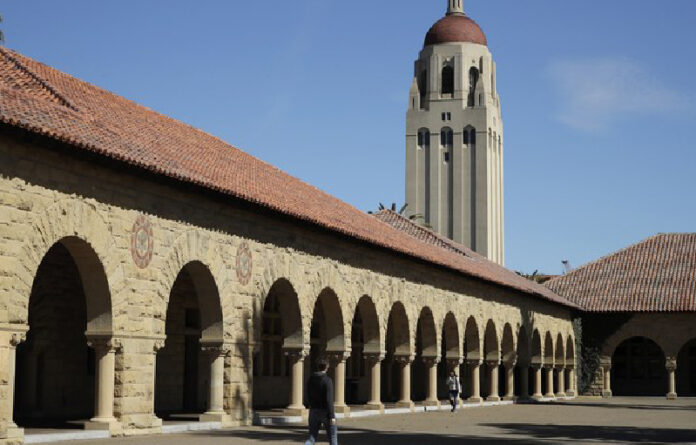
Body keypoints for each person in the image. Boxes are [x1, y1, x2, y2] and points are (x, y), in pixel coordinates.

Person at [305, 357, 338, 445]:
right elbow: (329, 400)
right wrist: (332, 416)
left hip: (313, 410)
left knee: (312, 437)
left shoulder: (311, 379)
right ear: (327, 367)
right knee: (332, 437)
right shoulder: (327, 380)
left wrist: (311, 405)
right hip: (325, 412)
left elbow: (308, 394)